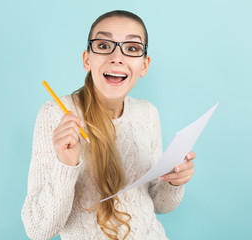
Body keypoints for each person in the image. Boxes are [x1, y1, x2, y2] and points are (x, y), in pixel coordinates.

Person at [21, 10, 196, 240]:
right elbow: (38, 231)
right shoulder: (55, 115)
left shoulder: (148, 113)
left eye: (132, 48)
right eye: (104, 46)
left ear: (144, 65)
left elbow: (160, 204)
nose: (117, 57)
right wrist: (66, 164)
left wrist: (174, 181)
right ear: (87, 59)